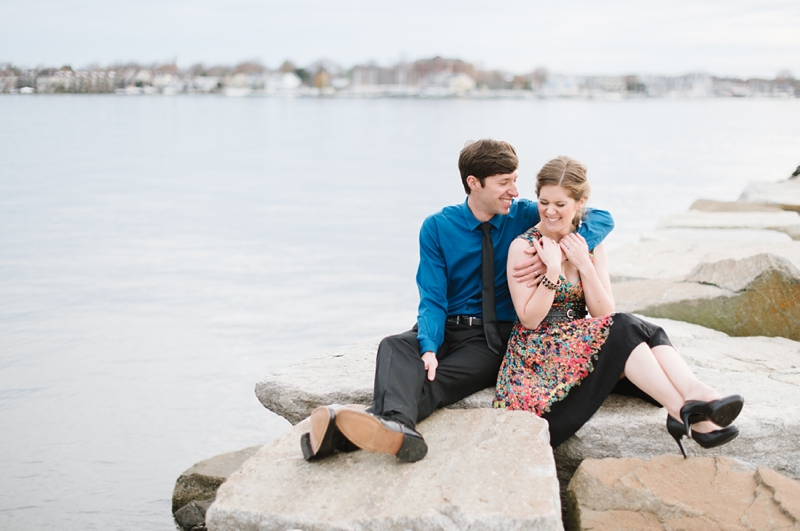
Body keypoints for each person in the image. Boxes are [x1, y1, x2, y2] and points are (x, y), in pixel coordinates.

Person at [299, 140, 614, 463]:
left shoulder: (523, 215)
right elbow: (432, 298)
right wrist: (430, 345)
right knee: (395, 347)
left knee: (435, 382)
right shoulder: (438, 227)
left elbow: (601, 217)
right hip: (450, 327)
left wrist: (561, 253)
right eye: (504, 183)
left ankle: (349, 434)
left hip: (491, 339)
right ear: (473, 183)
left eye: (515, 180)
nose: (515, 192)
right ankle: (397, 428)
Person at [493, 155, 744, 456]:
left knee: (647, 331)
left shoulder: (591, 243)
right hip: (541, 352)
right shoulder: (524, 247)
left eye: (560, 204)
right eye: (544, 202)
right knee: (627, 326)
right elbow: (529, 319)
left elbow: (603, 314)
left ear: (580, 202)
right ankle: (686, 411)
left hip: (580, 342)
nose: (549, 211)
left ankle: (694, 396)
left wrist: (584, 265)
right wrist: (550, 271)